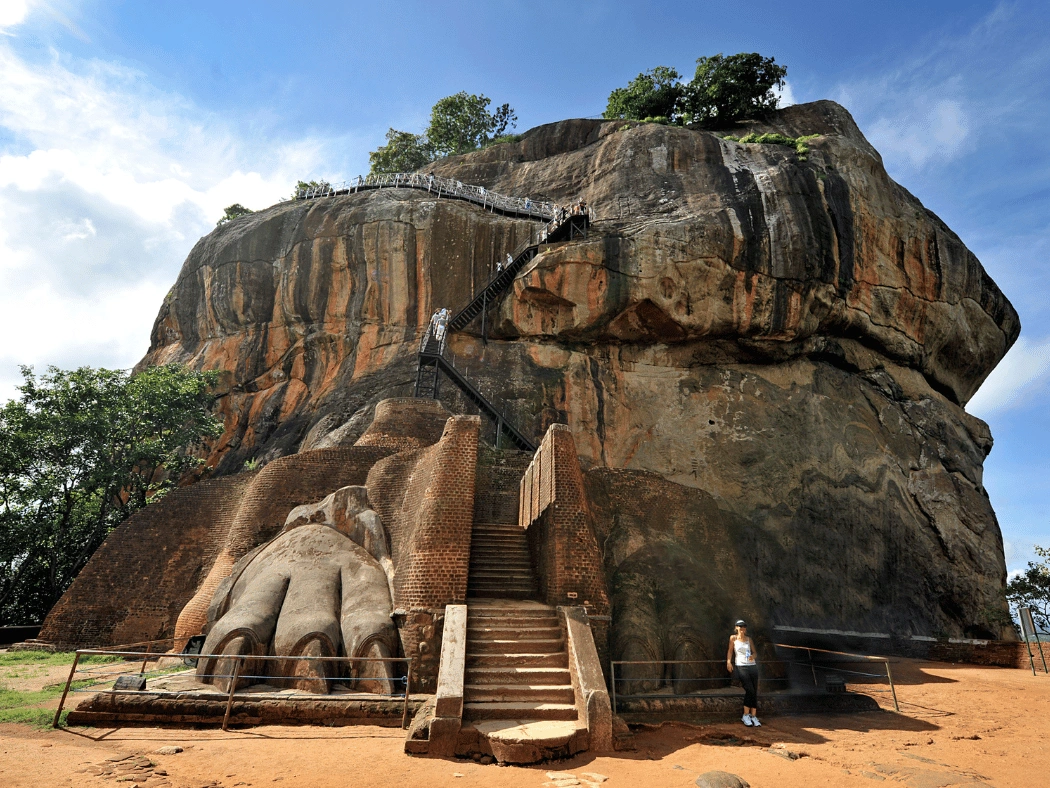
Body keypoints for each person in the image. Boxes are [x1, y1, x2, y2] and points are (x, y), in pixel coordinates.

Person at [726, 619, 760, 726]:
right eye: (740, 627)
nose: (742, 629)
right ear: (736, 627)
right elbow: (730, 651)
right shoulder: (733, 638)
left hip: (752, 666)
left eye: (744, 627)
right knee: (749, 689)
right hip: (741, 666)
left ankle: (753, 716)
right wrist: (728, 662)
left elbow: (755, 653)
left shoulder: (749, 639)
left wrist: (752, 656)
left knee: (754, 690)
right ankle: (745, 715)